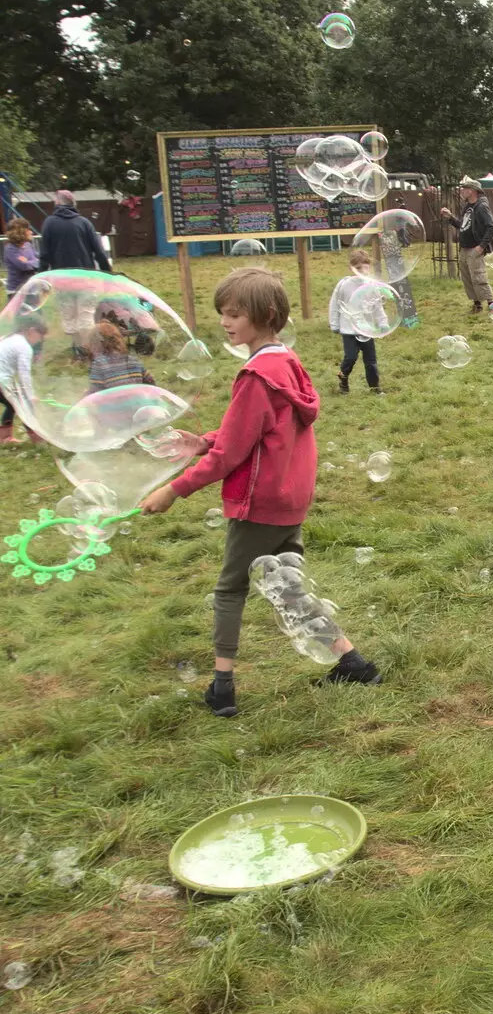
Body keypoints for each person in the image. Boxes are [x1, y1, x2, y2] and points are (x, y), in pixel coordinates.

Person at [137, 267, 382, 719]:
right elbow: (253, 433)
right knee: (287, 585)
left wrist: (174, 489)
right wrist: (205, 440)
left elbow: (232, 456)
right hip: (289, 494)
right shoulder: (285, 362)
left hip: (261, 502)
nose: (226, 322)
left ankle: (222, 688)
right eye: (222, 314)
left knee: (230, 590)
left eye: (234, 314)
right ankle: (353, 663)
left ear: (264, 314)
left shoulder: (255, 375)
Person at [327, 247, 383, 394]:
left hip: (367, 330)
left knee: (371, 362)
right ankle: (343, 378)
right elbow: (335, 304)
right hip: (348, 330)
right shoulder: (344, 285)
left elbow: (377, 306)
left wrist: (382, 323)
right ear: (351, 268)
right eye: (358, 267)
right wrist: (334, 323)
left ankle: (375, 388)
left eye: (366, 267)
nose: (362, 270)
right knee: (350, 358)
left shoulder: (371, 285)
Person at [438, 176, 493, 316]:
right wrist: (450, 217)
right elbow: (463, 226)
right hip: (464, 248)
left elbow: (492, 227)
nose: (461, 191)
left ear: (472, 190)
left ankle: (492, 305)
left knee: (479, 277)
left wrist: (481, 246)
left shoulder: (481, 207)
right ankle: (477, 305)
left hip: (474, 248)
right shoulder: (468, 207)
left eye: (464, 188)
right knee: (467, 278)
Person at [38, 190, 112, 273]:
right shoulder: (84, 223)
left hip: (60, 275)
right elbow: (99, 251)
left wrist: (40, 276)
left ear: (57, 202)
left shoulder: (49, 223)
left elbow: (44, 254)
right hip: (84, 274)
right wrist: (108, 273)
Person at [0, 312, 46, 443]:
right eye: (40, 336)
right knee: (24, 405)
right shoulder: (24, 347)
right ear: (31, 331)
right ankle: (37, 439)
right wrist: (30, 396)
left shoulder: (8, 338)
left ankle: (5, 437)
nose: (40, 340)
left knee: (12, 405)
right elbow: (24, 374)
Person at [87, 320, 156, 391]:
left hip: (114, 401)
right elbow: (151, 381)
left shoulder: (99, 364)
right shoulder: (132, 360)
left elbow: (96, 392)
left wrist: (85, 395)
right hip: (136, 400)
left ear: (96, 345)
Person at [5, 218, 38, 295]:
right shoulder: (10, 249)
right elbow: (24, 266)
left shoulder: (28, 245)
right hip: (17, 291)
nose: (31, 232)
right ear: (20, 233)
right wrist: (33, 262)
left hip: (32, 289)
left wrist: (29, 262)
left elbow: (40, 261)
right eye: (28, 230)